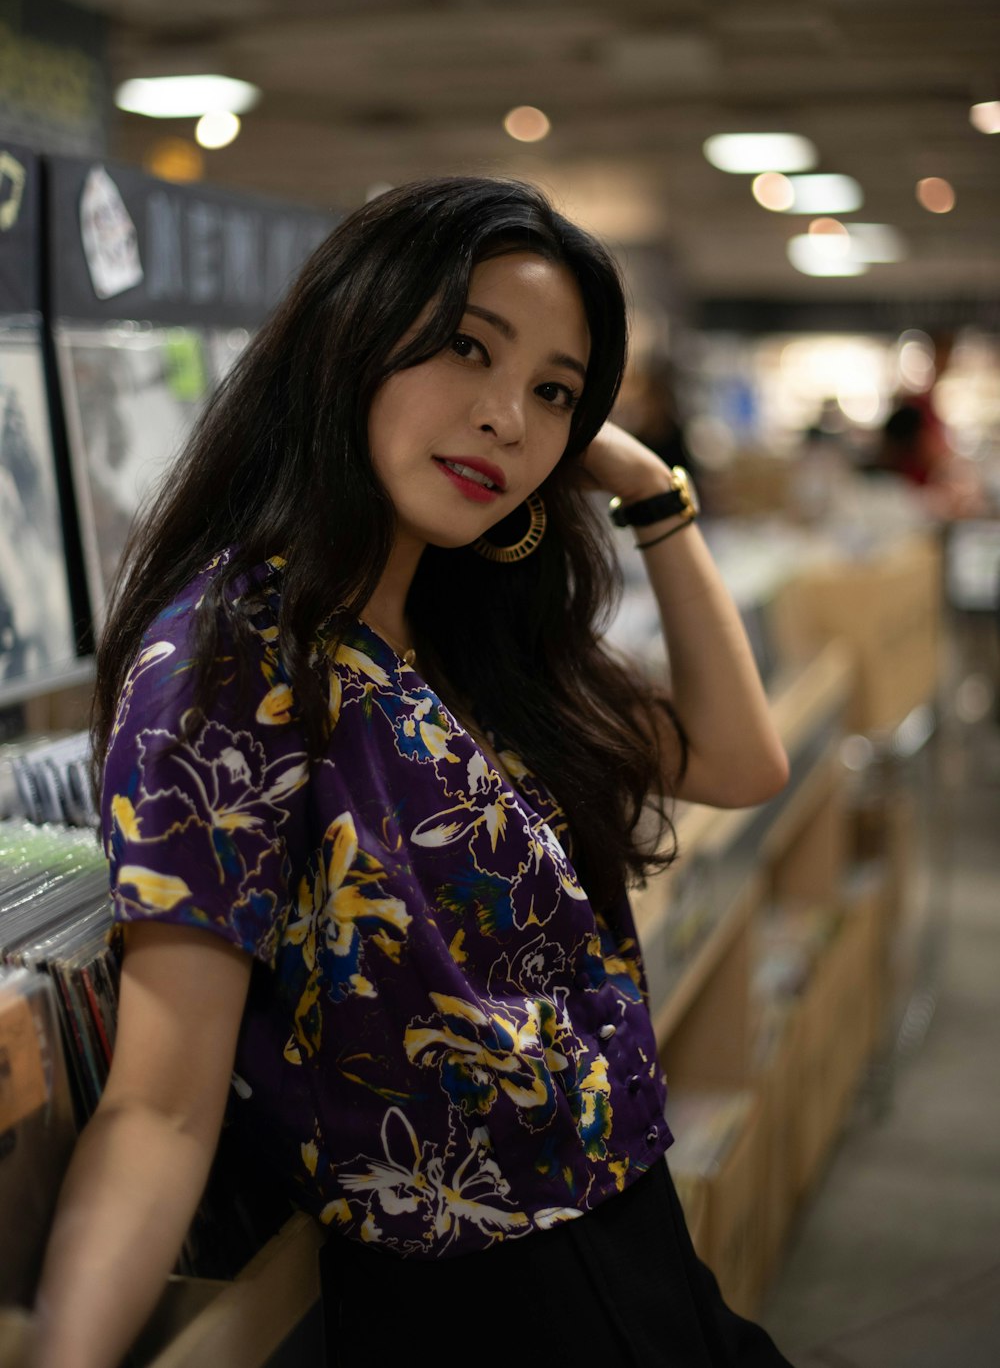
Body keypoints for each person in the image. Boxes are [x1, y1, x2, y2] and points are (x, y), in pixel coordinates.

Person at [30, 177, 791, 1368]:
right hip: (486, 1309)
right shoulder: (241, 652)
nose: (508, 418)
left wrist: (652, 492)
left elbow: (743, 763)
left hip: (640, 1247)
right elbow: (161, 1103)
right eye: (463, 348)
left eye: (554, 392)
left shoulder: (464, 626)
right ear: (350, 339)